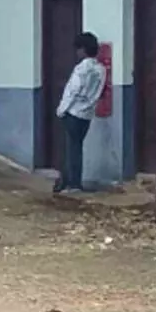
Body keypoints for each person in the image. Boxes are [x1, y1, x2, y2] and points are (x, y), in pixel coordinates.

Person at [54, 31, 107, 194]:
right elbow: (99, 91)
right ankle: (70, 182)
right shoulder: (101, 70)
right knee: (76, 147)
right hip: (87, 114)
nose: (77, 52)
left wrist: (62, 109)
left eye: (78, 49)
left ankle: (73, 183)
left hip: (73, 113)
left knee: (72, 149)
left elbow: (73, 91)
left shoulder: (81, 69)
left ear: (83, 50)